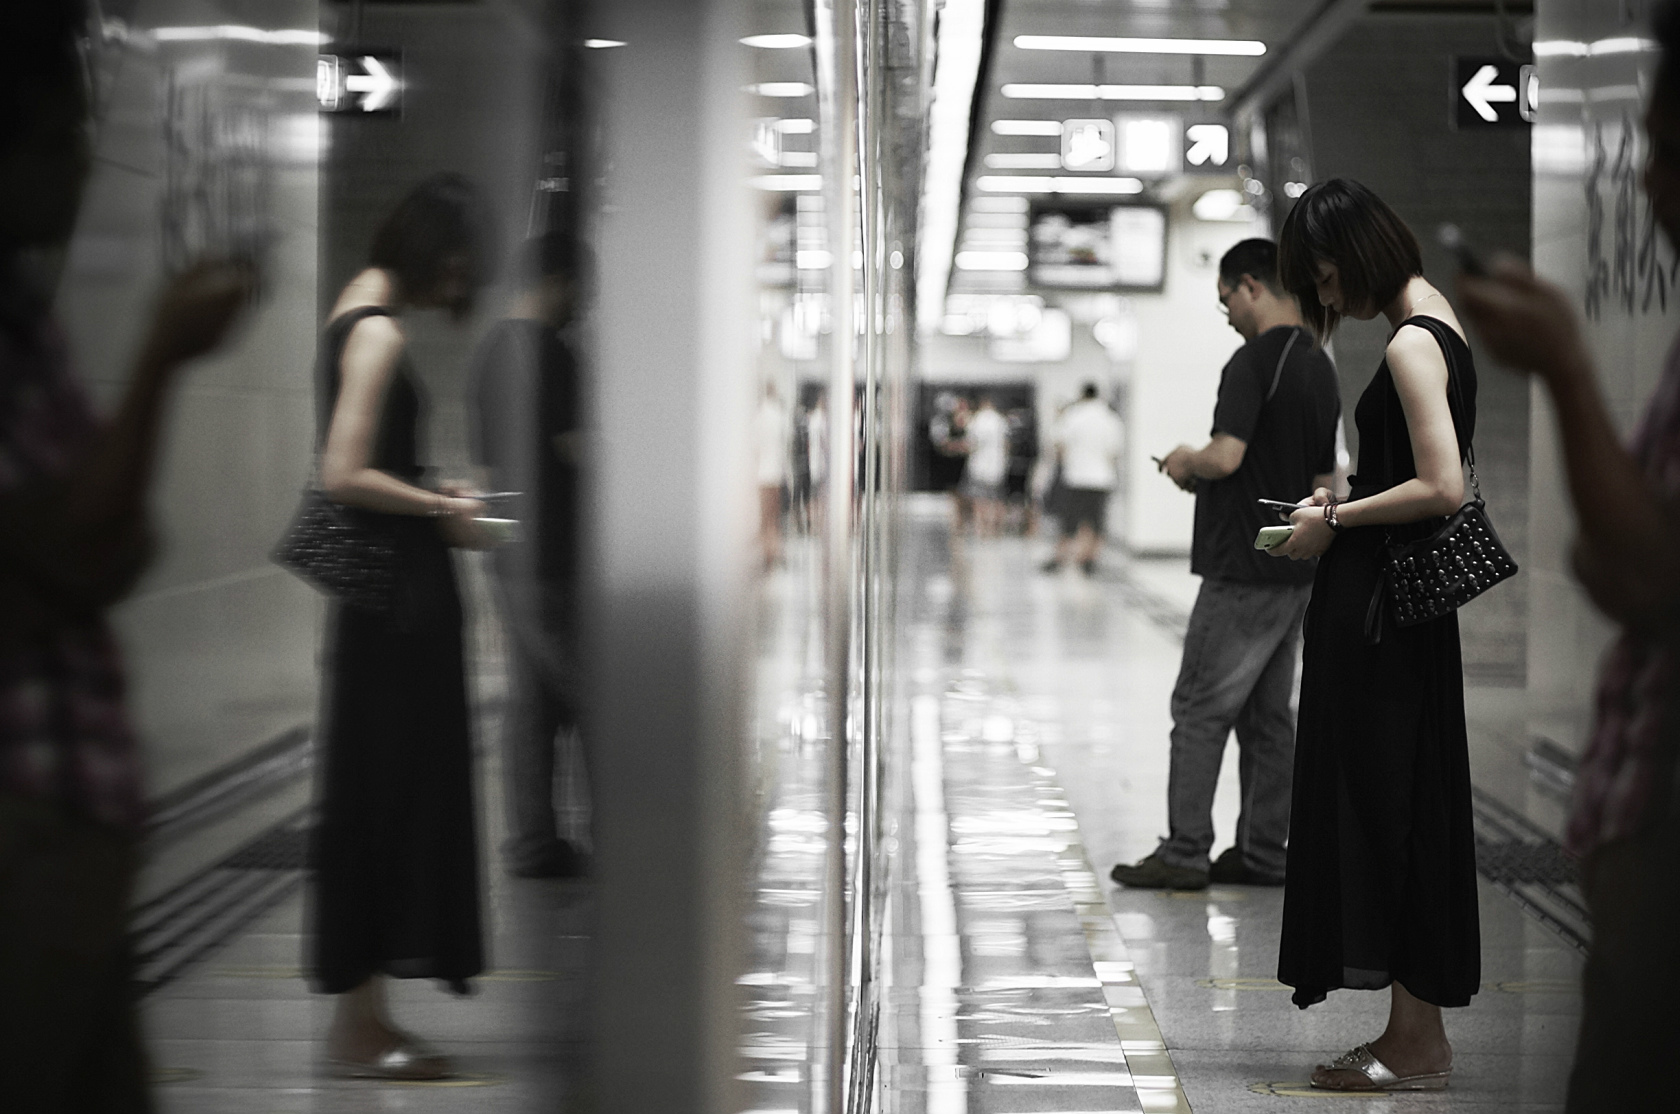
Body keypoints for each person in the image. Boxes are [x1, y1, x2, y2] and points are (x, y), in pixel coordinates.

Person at [0, 4, 257, 1108]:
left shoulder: (25, 321)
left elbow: (105, 545)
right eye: (60, 137)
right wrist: (159, 354)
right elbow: (65, 546)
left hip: (74, 822)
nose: (80, 167)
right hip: (24, 828)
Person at [1455, 7, 1680, 1108]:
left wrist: (1566, 368)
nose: (1647, 185)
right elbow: (1626, 558)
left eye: (1666, 152)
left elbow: (1651, 575)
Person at [1268, 179, 1480, 1092]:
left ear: (1356, 252)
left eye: (1324, 275)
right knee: (1405, 804)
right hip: (1400, 609)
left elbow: (1443, 486)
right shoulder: (1439, 321)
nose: (1326, 295)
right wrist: (1344, 502)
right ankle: (1413, 1031)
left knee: (1384, 810)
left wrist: (1336, 520)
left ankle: (1417, 1040)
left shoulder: (1409, 342)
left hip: (1382, 615)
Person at [310, 174, 498, 1080]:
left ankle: (367, 1018)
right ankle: (360, 1028)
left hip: (379, 600)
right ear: (431, 249)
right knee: (391, 798)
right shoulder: (379, 332)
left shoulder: (353, 310)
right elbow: (343, 471)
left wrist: (426, 488)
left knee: (374, 794)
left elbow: (367, 463)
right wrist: (436, 505)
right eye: (457, 266)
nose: (457, 285)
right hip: (396, 609)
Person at [1111, 238, 1339, 891]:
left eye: (1226, 301)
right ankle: (1264, 851)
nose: (1229, 315)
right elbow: (1325, 479)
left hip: (1242, 567)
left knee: (1199, 707)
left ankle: (1185, 851)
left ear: (1251, 286)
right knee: (1268, 717)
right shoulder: (1319, 365)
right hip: (1293, 568)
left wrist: (1187, 459)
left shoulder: (1252, 360)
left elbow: (1226, 456)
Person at [467, 231, 591, 879]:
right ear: (560, 281)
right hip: (561, 558)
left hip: (514, 559)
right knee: (595, 694)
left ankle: (534, 842)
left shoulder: (489, 352)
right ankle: (625, 831)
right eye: (582, 289)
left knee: (533, 706)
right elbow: (579, 448)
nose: (585, 303)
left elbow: (488, 474)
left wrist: (498, 565)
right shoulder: (557, 353)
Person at [1040, 383, 1122, 574]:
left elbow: (1059, 446)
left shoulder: (1073, 415)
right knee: (1096, 521)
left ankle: (1060, 557)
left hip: (1075, 477)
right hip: (1101, 478)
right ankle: (1089, 558)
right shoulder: (1111, 419)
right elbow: (1114, 452)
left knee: (1069, 521)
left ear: (1081, 394)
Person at [963, 395, 1009, 536]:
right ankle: (994, 529)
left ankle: (980, 527)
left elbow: (971, 443)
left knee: (979, 499)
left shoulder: (976, 420)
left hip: (979, 465)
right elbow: (1006, 444)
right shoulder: (1000, 421)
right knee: (996, 498)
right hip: (997, 465)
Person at [755, 383, 790, 568]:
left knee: (765, 517)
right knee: (775, 517)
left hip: (762, 474)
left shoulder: (759, 417)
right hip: (777, 474)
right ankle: (775, 550)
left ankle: (768, 554)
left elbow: (755, 448)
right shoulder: (780, 416)